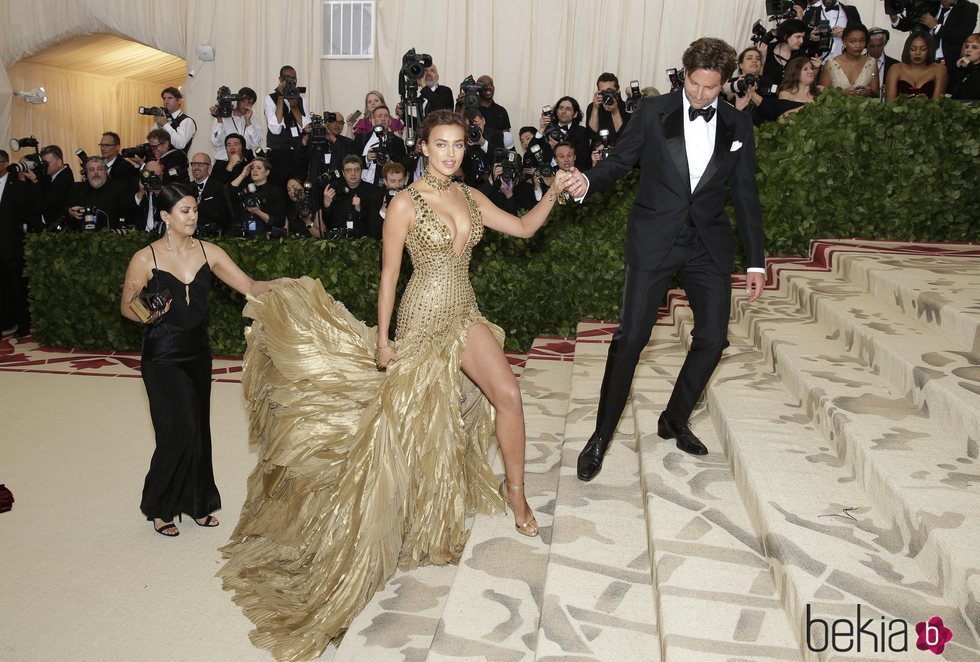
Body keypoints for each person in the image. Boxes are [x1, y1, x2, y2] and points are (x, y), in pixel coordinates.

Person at [219, 109, 571, 659]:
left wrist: (552, 190)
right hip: (422, 318)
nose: (451, 154)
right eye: (441, 145)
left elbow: (525, 227)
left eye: (458, 145)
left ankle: (517, 493)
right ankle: (393, 515)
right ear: (424, 147)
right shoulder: (404, 203)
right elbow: (389, 274)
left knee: (508, 394)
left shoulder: (472, 197)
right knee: (407, 428)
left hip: (465, 312)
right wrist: (383, 338)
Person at [564, 37, 766, 481]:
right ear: (684, 75)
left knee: (713, 339)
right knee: (630, 339)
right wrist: (587, 182)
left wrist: (756, 261)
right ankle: (600, 438)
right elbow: (619, 163)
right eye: (694, 84)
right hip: (655, 238)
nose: (700, 95)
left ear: (724, 84)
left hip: (707, 243)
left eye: (711, 89)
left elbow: (746, 195)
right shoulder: (653, 113)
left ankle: (674, 418)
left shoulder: (738, 124)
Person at [119, 182, 289, 538]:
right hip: (161, 356)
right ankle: (159, 504)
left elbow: (249, 286)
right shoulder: (144, 258)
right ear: (165, 216)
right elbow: (127, 306)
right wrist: (147, 313)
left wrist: (283, 284)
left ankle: (198, 503)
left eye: (194, 209)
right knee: (177, 430)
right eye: (184, 211)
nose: (192, 216)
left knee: (198, 430)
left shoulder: (209, 251)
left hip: (198, 354)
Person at [890, 0, 979, 79]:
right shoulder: (931, 5)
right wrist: (894, 18)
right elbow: (912, 24)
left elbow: (963, 36)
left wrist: (936, 27)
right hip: (926, 61)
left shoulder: (968, 8)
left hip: (951, 64)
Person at [818, 24, 880, 97]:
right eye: (853, 41)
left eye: (862, 41)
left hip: (864, 107)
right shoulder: (831, 64)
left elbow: (876, 94)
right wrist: (842, 93)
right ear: (844, 42)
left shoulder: (871, 63)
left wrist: (868, 93)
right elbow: (821, 96)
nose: (858, 45)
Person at [885, 32, 949, 99]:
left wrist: (926, 103)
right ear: (907, 50)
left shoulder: (939, 70)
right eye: (913, 49)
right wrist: (904, 103)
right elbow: (889, 103)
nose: (917, 53)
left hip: (928, 109)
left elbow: (937, 103)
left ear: (930, 50)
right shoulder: (895, 69)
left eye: (923, 49)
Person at [209, 86, 263, 161]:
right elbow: (216, 142)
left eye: (250, 103)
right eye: (243, 101)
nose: (246, 105)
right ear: (237, 100)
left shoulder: (254, 120)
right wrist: (219, 120)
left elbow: (256, 143)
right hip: (223, 162)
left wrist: (248, 122)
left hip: (244, 163)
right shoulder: (223, 116)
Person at [762, 19, 809, 85]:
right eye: (798, 37)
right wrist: (762, 56)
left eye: (802, 37)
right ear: (785, 36)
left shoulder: (801, 55)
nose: (801, 41)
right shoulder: (767, 49)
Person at [153, 86, 197, 152]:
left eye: (170, 98)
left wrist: (165, 124)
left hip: (177, 161)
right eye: (164, 98)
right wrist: (158, 126)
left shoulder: (186, 120)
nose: (166, 101)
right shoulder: (162, 119)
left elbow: (180, 144)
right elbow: (152, 141)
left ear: (179, 101)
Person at [867, 28, 900, 99]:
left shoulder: (896, 65)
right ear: (865, 45)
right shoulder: (857, 63)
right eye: (872, 46)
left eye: (880, 45)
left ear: (885, 43)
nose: (876, 50)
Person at [949, 32, 980, 98]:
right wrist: (957, 69)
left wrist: (970, 66)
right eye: (966, 46)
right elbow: (950, 91)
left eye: (974, 47)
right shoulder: (963, 67)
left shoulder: (971, 69)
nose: (968, 50)